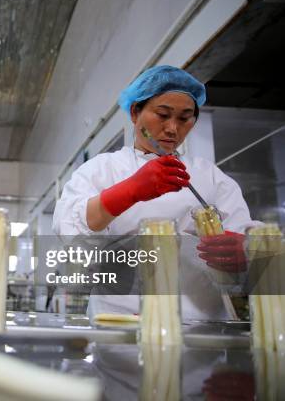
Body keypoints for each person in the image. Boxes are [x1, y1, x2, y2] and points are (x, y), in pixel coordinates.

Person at [53, 65, 260, 320]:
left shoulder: (209, 177)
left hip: (203, 328)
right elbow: (72, 235)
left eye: (185, 118)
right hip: (119, 323)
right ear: (134, 112)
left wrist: (245, 254)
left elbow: (251, 245)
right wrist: (128, 191)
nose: (173, 129)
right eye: (163, 114)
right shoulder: (102, 169)